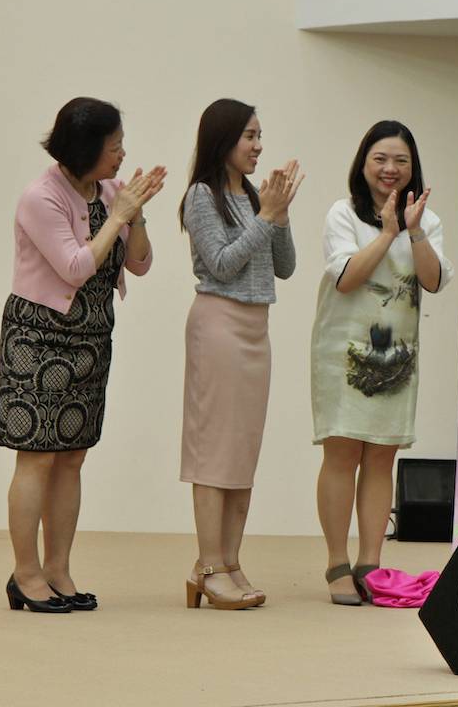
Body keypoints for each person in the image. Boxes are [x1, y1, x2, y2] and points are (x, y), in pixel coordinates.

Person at [0, 97, 165, 613]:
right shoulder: (40, 197)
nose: (122, 155)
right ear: (86, 149)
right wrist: (119, 216)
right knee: (37, 457)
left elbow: (140, 264)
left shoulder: (111, 191)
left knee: (72, 457)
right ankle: (25, 575)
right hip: (38, 340)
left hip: (90, 339)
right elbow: (73, 266)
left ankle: (58, 570)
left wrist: (136, 215)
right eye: (114, 147)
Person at [311, 120, 453, 605]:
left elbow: (433, 281)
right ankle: (337, 563)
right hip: (345, 352)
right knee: (342, 453)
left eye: (401, 161)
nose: (390, 168)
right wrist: (387, 231)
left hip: (397, 356)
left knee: (381, 456)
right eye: (381, 159)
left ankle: (370, 562)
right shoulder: (343, 213)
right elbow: (347, 278)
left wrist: (412, 231)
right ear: (364, 163)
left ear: (413, 168)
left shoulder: (425, 220)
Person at [179, 99, 302, 610]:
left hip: (256, 329)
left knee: (242, 452)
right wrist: (266, 217)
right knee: (214, 452)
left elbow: (285, 267)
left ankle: (229, 561)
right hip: (219, 324)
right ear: (223, 139)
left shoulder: (254, 196)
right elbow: (223, 264)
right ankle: (208, 566)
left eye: (259, 135)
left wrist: (280, 215)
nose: (258, 146)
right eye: (249, 136)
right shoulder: (201, 196)